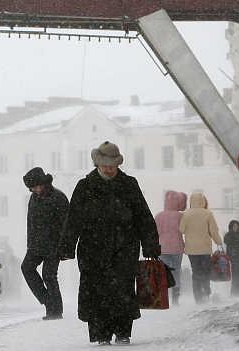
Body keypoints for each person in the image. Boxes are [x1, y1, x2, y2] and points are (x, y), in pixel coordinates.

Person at [58, 141, 160, 346]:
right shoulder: (85, 186)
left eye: (112, 166)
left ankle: (123, 331)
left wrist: (150, 245)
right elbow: (73, 219)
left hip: (125, 247)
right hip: (92, 249)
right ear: (97, 164)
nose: (109, 169)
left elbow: (143, 216)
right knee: (96, 290)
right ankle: (101, 333)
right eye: (105, 166)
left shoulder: (129, 184)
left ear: (118, 165)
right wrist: (67, 246)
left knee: (122, 289)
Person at [21, 167, 69, 320]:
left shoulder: (58, 198)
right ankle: (47, 300)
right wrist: (30, 244)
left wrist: (65, 249)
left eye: (35, 187)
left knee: (49, 276)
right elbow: (30, 222)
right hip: (36, 245)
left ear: (43, 183)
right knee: (26, 268)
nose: (34, 190)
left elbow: (66, 225)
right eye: (31, 188)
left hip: (54, 246)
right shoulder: (33, 198)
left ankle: (55, 311)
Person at [179, 192, 223, 304]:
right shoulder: (208, 214)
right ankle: (206, 291)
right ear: (202, 201)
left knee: (196, 272)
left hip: (191, 250)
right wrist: (218, 242)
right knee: (205, 271)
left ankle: (198, 297)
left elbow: (181, 229)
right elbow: (213, 231)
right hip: (205, 249)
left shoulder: (186, 214)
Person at [154, 190, 187, 305]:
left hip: (162, 249)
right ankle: (175, 299)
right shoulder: (180, 216)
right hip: (177, 248)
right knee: (176, 272)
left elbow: (155, 233)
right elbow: (184, 230)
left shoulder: (159, 216)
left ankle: (164, 297)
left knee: (163, 273)